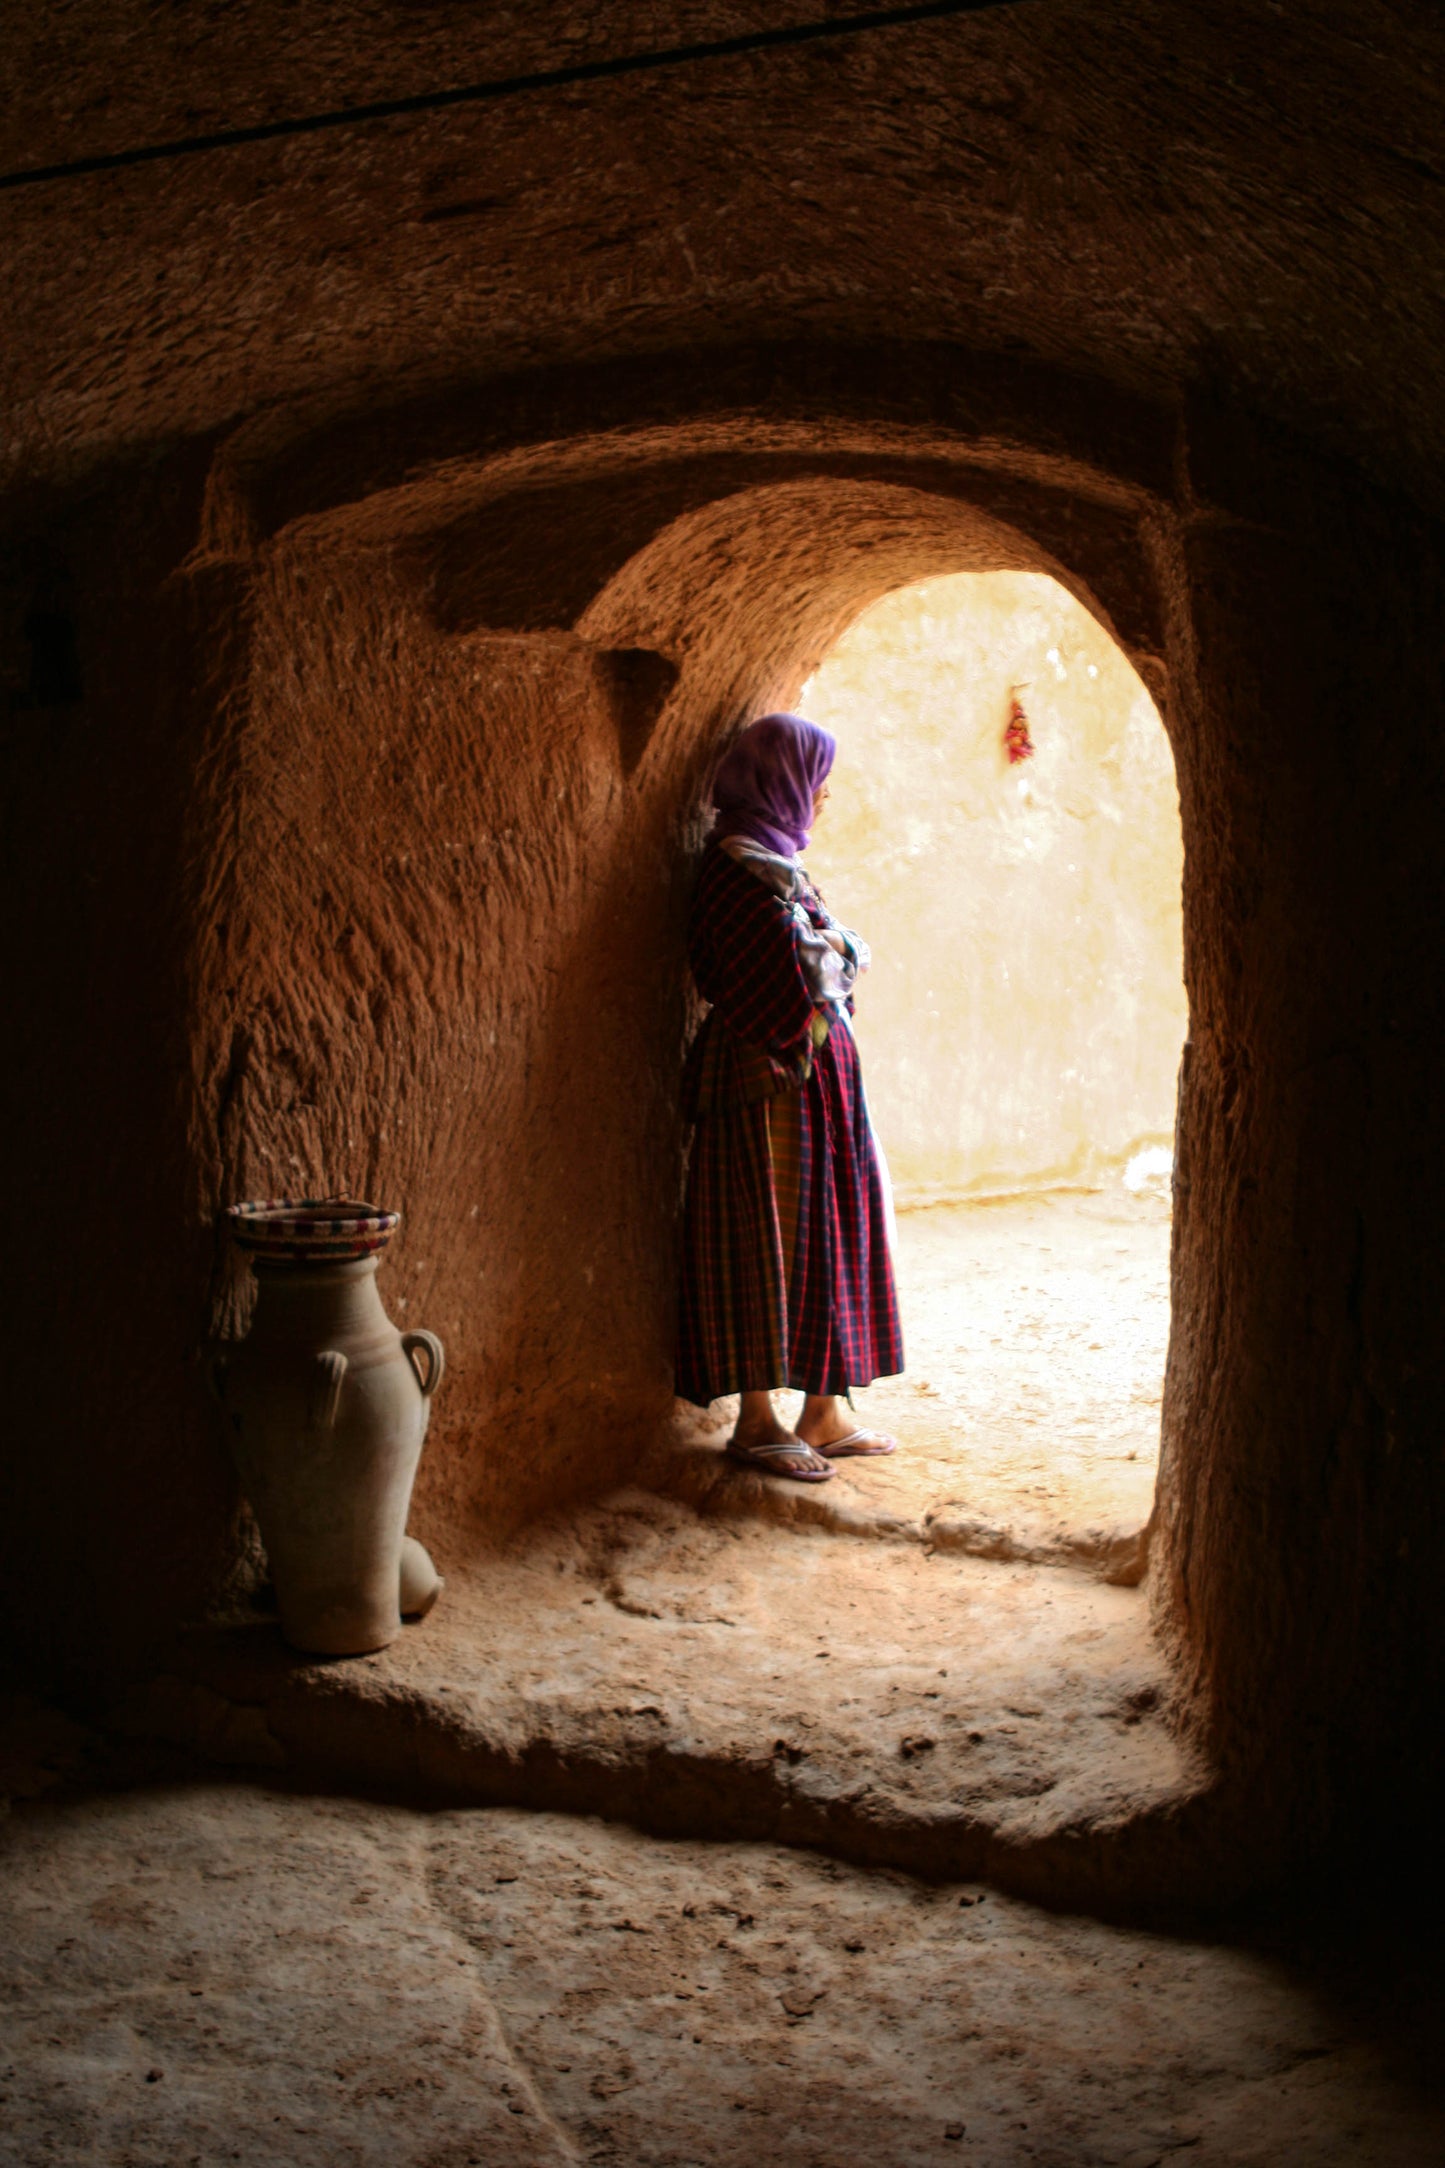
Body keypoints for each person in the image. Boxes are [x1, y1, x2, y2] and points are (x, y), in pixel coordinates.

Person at [676, 711, 904, 1481]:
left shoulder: (773, 866)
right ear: (782, 781)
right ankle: (756, 1419)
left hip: (807, 1081)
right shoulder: (736, 870)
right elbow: (803, 972)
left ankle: (822, 1409)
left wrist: (832, 954)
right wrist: (835, 954)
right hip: (763, 1079)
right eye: (817, 778)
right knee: (761, 1238)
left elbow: (829, 959)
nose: (826, 796)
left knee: (824, 1235)